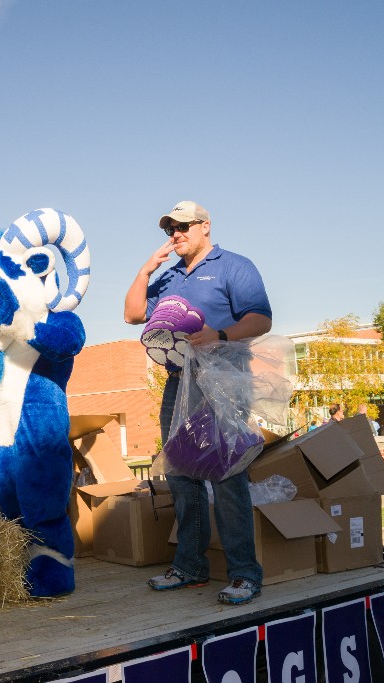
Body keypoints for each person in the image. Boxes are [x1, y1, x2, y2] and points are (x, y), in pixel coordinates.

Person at [124, 200, 272, 605]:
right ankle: (190, 567)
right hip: (179, 381)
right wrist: (145, 271)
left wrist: (219, 336)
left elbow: (261, 319)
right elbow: (133, 315)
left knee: (226, 473)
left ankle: (244, 574)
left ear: (205, 226)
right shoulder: (168, 275)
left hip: (224, 378)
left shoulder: (233, 265)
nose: (177, 234)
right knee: (180, 472)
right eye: (171, 228)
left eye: (185, 226)